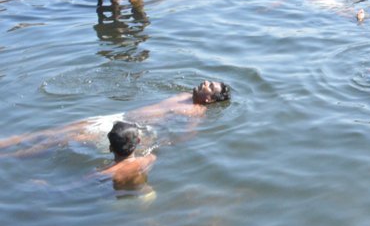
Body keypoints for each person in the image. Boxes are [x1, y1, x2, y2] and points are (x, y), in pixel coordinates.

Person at [0, 80, 231, 157]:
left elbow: (187, 136)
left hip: (132, 129)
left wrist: (155, 146)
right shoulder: (184, 95)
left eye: (210, 86)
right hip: (119, 117)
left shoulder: (196, 112)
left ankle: (11, 156)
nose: (205, 83)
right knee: (60, 129)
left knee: (66, 138)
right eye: (208, 81)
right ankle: (7, 143)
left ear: (210, 100)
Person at [97, 121, 156, 192]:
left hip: (118, 195)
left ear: (110, 148)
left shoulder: (105, 173)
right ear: (138, 141)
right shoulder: (149, 159)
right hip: (146, 192)